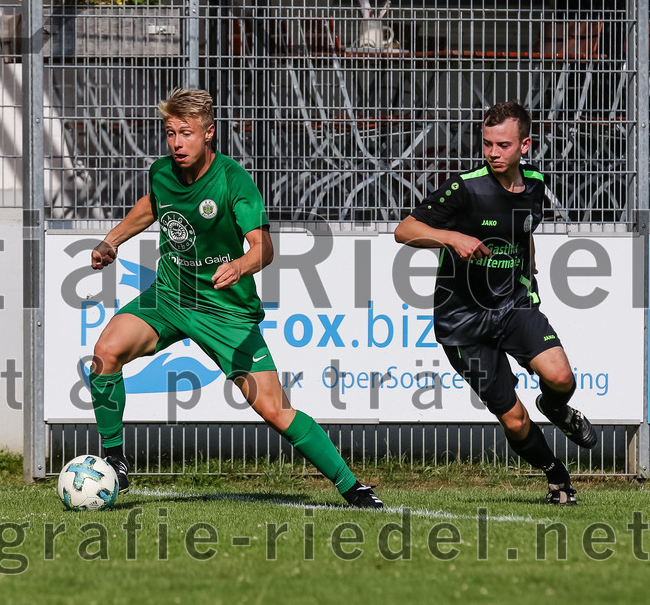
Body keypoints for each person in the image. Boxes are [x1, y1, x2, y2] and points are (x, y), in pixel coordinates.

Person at [87, 89, 382, 508]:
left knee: (275, 410)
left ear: (209, 133)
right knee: (106, 353)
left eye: (186, 133)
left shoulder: (233, 180)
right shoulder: (162, 172)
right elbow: (152, 206)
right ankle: (115, 461)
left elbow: (264, 248)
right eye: (170, 133)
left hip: (226, 311)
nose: (176, 143)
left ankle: (352, 486)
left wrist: (241, 266)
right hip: (171, 295)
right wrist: (111, 240)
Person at [394, 100, 597, 506]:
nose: (492, 152)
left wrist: (530, 266)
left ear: (525, 145)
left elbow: (524, 229)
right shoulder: (465, 188)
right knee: (515, 420)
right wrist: (451, 237)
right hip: (462, 323)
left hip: (513, 305)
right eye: (487, 143)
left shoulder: (535, 183)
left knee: (561, 377)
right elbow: (405, 230)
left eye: (502, 145)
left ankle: (555, 408)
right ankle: (556, 476)